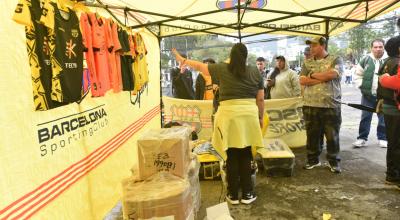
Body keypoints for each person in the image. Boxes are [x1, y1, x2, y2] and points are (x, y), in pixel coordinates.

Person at [172, 43, 264, 205]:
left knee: (231, 154)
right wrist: (260, 117)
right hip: (249, 116)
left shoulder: (221, 68)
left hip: (228, 116)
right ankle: (248, 193)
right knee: (246, 152)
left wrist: (183, 60)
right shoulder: (255, 71)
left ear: (231, 55)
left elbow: (200, 66)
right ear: (246, 55)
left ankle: (233, 194)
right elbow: (260, 99)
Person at [299, 36, 344, 173]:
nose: (311, 49)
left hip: (331, 104)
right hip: (310, 104)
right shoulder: (307, 62)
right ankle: (313, 160)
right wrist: (322, 77)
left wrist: (312, 76)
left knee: (332, 135)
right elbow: (302, 80)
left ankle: (333, 161)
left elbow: (332, 75)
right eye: (310, 46)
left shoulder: (336, 59)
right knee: (312, 135)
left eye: (314, 45)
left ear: (323, 45)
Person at [352, 39, 387, 148]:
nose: (378, 49)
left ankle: (383, 138)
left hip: (383, 96)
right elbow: (358, 75)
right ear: (371, 48)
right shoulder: (365, 59)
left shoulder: (389, 60)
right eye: (375, 47)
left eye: (380, 47)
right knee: (365, 117)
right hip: (367, 96)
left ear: (384, 47)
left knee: (383, 118)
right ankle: (362, 138)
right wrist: (362, 86)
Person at [377, 35, 400, 188]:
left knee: (393, 143)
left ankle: (391, 175)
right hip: (395, 108)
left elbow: (380, 83)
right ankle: (395, 176)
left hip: (388, 106)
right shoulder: (397, 63)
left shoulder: (385, 61)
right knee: (397, 144)